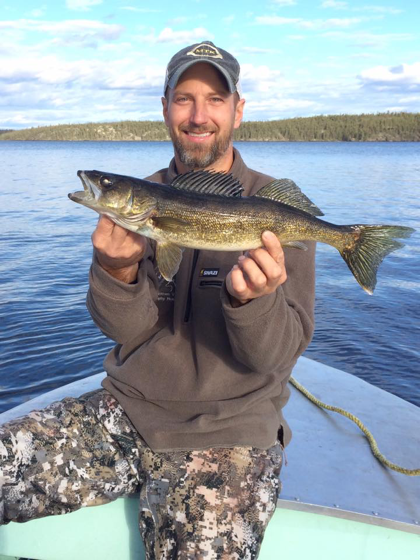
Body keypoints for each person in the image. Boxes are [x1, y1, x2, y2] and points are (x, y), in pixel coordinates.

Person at [0, 41, 316, 558]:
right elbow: (126, 332)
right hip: (127, 411)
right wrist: (116, 268)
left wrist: (255, 302)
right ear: (165, 107)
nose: (198, 115)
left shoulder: (272, 207)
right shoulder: (140, 200)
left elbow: (272, 358)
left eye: (215, 99)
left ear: (238, 109)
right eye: (183, 98)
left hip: (231, 431)